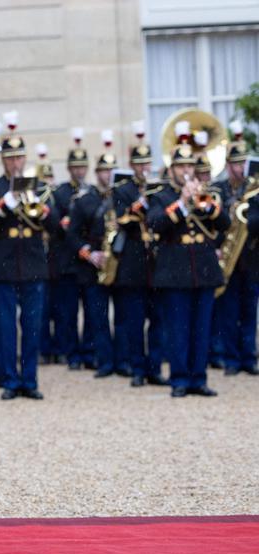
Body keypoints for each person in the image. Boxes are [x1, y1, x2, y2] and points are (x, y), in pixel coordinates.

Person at [0, 112, 60, 399]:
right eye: (10, 158)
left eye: (19, 158)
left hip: (33, 264)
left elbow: (56, 225)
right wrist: (6, 203)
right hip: (3, 264)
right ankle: (10, 381)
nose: (15, 163)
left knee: (32, 326)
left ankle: (30, 380)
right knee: (5, 327)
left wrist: (39, 205)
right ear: (3, 160)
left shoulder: (39, 186)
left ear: (25, 158)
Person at [147, 130, 229, 397]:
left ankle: (199, 378)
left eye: (189, 166)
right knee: (178, 328)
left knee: (202, 328)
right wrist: (182, 203)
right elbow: (155, 224)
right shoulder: (161, 196)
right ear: (171, 169)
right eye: (181, 166)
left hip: (203, 269)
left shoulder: (206, 193)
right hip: (175, 270)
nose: (186, 171)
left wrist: (207, 206)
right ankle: (180, 379)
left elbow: (225, 224)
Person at [111, 123, 161, 387]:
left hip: (156, 262)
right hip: (133, 262)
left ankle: (155, 367)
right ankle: (137, 368)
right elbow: (121, 220)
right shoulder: (123, 189)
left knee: (158, 319)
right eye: (139, 164)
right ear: (132, 165)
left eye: (146, 163)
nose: (144, 168)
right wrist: (137, 206)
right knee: (134, 320)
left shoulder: (158, 188)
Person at [65, 131, 117, 377]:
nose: (109, 175)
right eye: (104, 171)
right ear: (97, 174)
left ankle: (123, 361)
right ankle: (103, 361)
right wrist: (90, 254)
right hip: (94, 267)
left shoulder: (123, 199)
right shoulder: (85, 201)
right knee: (97, 317)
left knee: (124, 317)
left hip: (120, 266)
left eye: (112, 170)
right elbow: (72, 235)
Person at [212, 124, 257, 375]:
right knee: (228, 312)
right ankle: (231, 359)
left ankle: (248, 358)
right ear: (228, 165)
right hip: (227, 258)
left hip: (249, 258)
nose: (240, 168)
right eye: (236, 163)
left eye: (243, 163)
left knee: (249, 311)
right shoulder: (219, 189)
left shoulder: (254, 190)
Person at [50, 129, 88, 370]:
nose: (79, 171)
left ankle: (88, 353)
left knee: (91, 312)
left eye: (82, 167)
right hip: (66, 260)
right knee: (68, 312)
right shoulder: (61, 192)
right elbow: (57, 223)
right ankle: (70, 352)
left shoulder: (91, 191)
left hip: (86, 261)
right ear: (69, 168)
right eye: (75, 167)